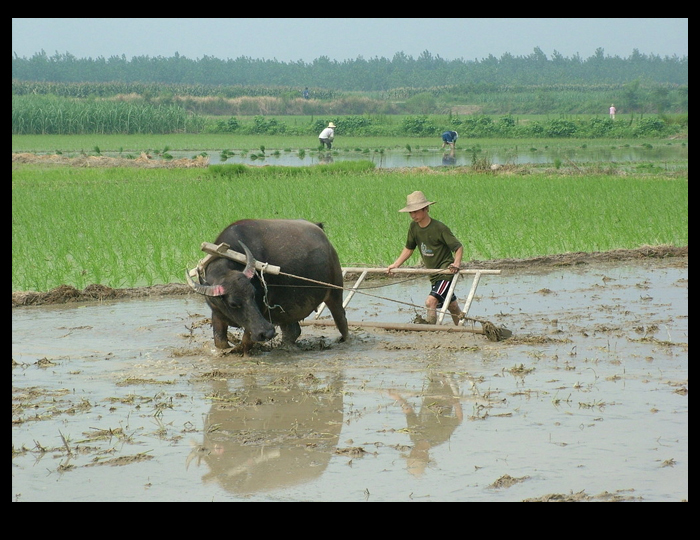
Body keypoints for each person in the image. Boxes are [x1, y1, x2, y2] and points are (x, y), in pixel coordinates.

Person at [387, 191, 464, 325]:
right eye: (411, 212)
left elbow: (458, 247)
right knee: (451, 305)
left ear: (426, 209)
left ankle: (430, 331)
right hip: (433, 274)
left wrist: (456, 264)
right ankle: (462, 328)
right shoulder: (413, 227)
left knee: (430, 301)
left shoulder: (439, 228)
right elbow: (409, 248)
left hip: (445, 272)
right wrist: (396, 264)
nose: (413, 215)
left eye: (416, 211)